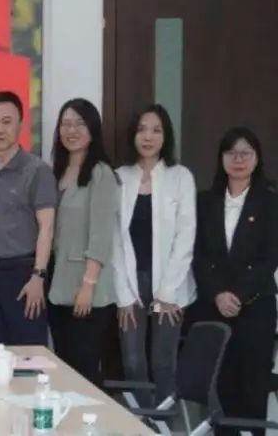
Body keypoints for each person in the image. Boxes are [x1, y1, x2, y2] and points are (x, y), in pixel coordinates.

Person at [193, 127, 277, 432]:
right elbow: (198, 255)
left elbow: (270, 258)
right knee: (221, 386)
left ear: (257, 158)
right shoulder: (205, 201)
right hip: (214, 308)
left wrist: (238, 294)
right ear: (221, 158)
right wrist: (218, 293)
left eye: (246, 153)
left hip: (256, 308)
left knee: (253, 387)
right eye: (231, 153)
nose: (238, 159)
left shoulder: (270, 202)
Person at [112, 104, 196, 406]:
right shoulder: (119, 177)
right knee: (133, 362)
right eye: (142, 130)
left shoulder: (180, 177)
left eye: (156, 130)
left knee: (164, 363)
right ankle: (143, 423)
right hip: (130, 283)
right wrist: (123, 295)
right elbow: (114, 240)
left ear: (166, 136)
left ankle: (164, 425)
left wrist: (167, 292)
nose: (148, 137)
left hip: (170, 285)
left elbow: (185, 236)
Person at [0, 91, 56, 346]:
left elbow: (47, 228)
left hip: (23, 274)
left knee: (28, 354)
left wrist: (38, 276)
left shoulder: (37, 170)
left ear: (21, 125)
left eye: (6, 122)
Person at [47, 98, 118, 385]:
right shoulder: (56, 172)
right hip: (57, 285)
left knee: (84, 370)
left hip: (86, 289)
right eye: (66, 124)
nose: (71, 130)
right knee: (63, 367)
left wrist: (88, 286)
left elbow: (101, 235)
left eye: (79, 124)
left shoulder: (101, 173)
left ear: (93, 129)